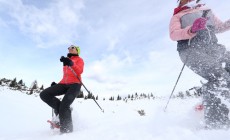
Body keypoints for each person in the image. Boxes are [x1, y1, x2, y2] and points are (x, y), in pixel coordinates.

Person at [169, 0, 230, 129]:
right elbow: (174, 34)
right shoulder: (178, 15)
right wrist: (191, 29)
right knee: (219, 77)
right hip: (191, 50)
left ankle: (208, 101)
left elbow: (219, 27)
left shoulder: (206, 10)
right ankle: (217, 125)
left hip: (213, 48)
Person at [40, 45, 84, 133]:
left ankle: (67, 129)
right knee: (44, 94)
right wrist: (57, 84)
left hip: (75, 84)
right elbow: (66, 77)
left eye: (72, 48)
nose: (70, 49)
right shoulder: (66, 62)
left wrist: (71, 63)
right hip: (64, 83)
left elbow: (80, 71)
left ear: (77, 51)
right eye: (69, 48)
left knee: (64, 106)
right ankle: (63, 112)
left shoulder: (79, 60)